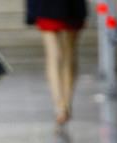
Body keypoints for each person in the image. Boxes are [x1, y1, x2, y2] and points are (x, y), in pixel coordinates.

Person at [26, 0, 87, 130]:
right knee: (69, 54)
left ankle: (59, 107)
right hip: (70, 6)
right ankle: (66, 104)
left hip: (46, 6)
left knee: (53, 55)